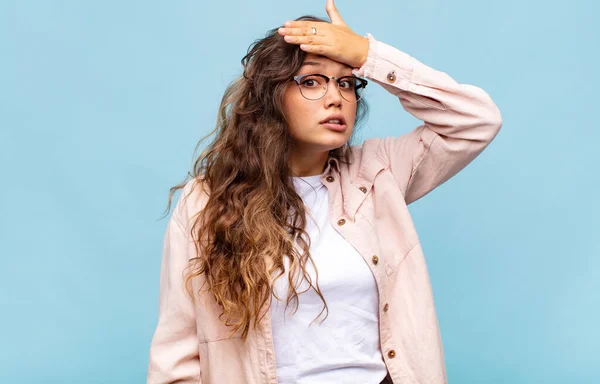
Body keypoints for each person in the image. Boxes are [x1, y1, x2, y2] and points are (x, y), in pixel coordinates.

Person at [146, 0, 502, 383]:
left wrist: (368, 55)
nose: (336, 97)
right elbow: (176, 358)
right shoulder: (206, 201)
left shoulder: (377, 172)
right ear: (271, 98)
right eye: (312, 81)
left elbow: (477, 120)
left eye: (346, 82)